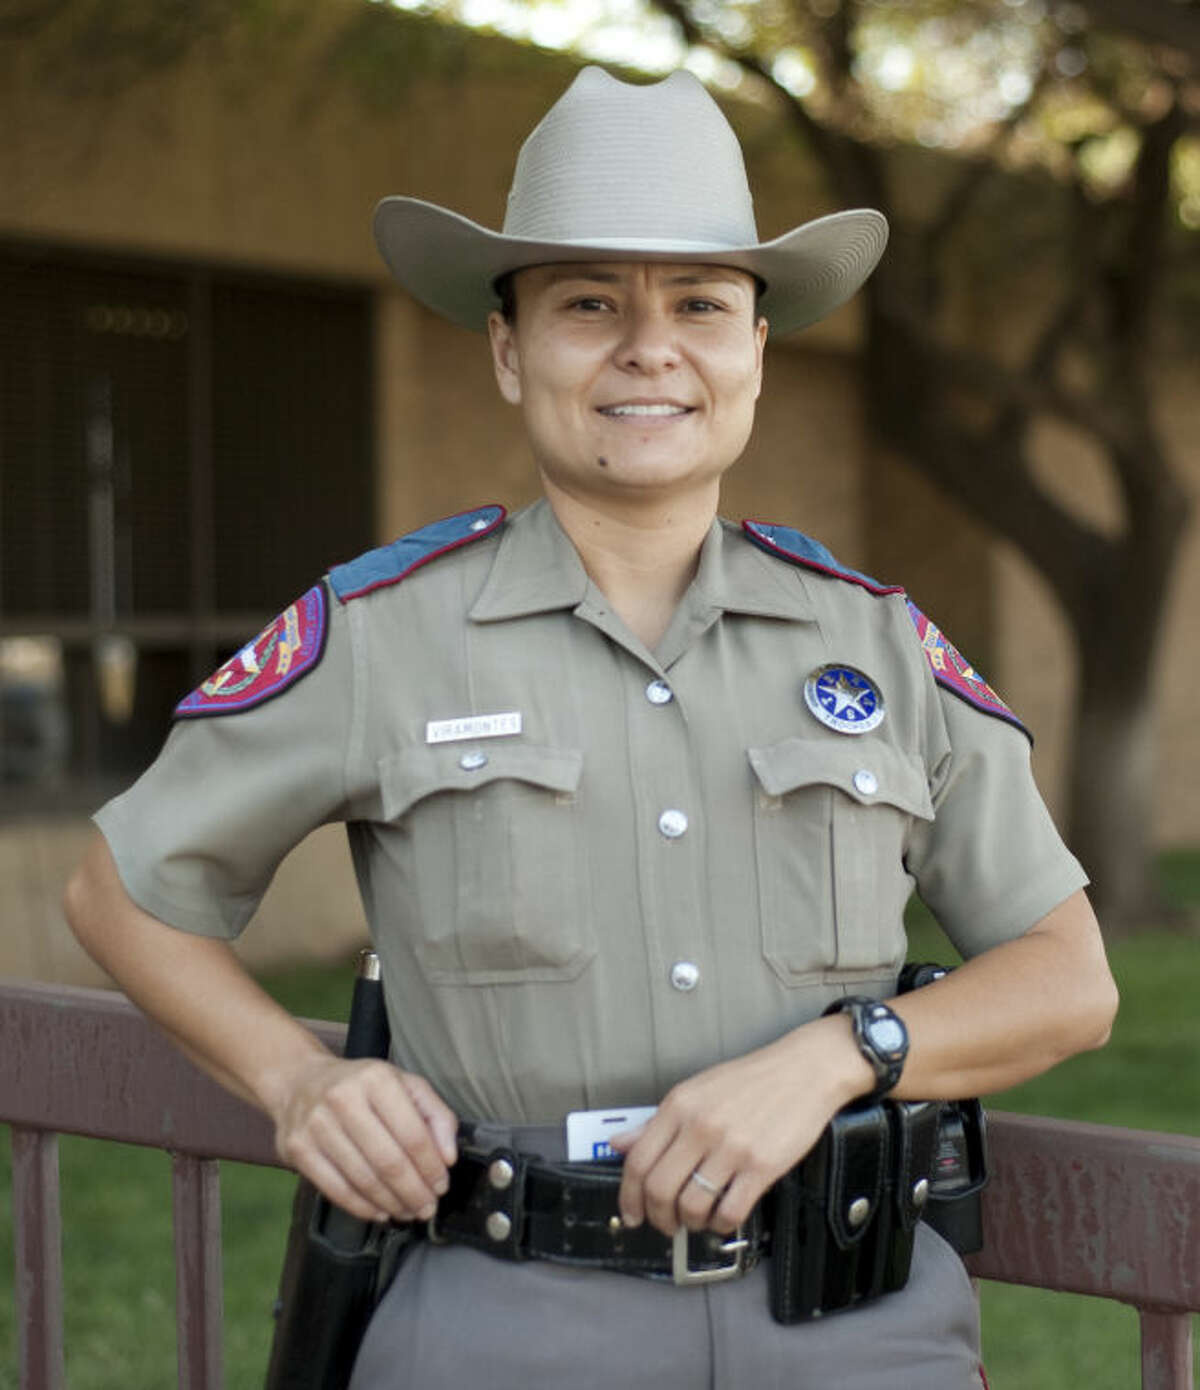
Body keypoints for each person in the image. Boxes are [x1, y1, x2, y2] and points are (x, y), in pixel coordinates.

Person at [64, 66, 1117, 1389]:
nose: (649, 346)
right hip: (504, 1325)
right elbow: (123, 886)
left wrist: (836, 1057)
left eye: (699, 304)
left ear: (754, 349)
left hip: (859, 1330)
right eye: (587, 304)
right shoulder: (381, 634)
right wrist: (298, 1082)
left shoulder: (880, 645)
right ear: (509, 351)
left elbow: (1068, 977)